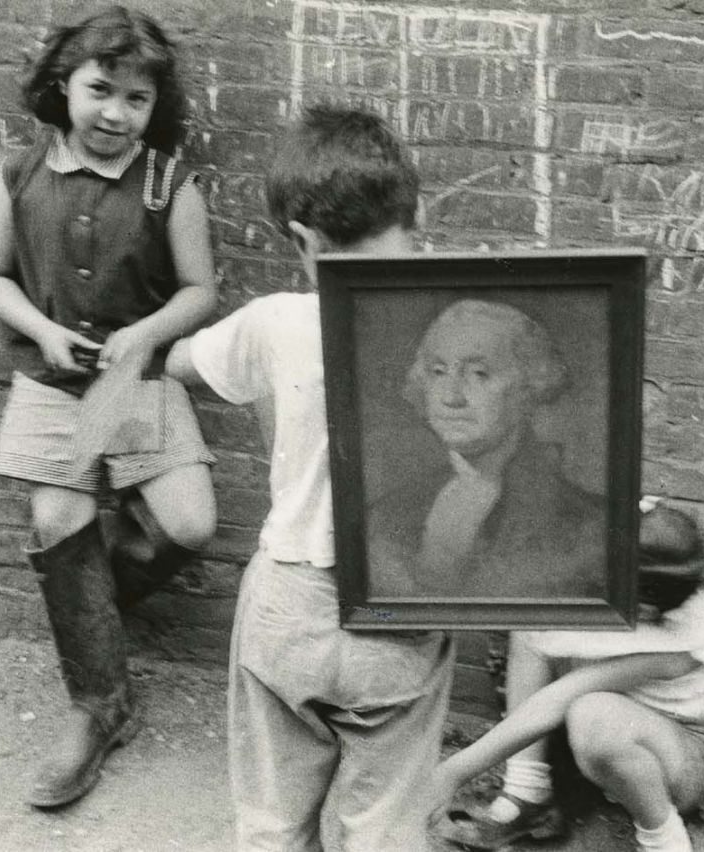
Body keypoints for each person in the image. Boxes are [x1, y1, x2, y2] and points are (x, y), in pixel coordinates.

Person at [164, 103, 455, 851]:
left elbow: (180, 362)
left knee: (271, 819)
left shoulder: (276, 321)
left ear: (301, 239)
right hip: (401, 606)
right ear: (415, 212)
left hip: (287, 604)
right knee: (386, 823)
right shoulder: (459, 326)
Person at [0, 6, 218, 808]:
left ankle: (90, 620)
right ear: (62, 87)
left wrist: (144, 335)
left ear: (156, 110)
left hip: (134, 382)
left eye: (135, 100)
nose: (114, 113)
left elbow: (200, 290)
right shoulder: (18, 171)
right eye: (99, 90)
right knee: (57, 523)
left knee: (188, 525)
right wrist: (43, 332)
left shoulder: (168, 183)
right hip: (52, 384)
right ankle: (99, 703)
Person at [427, 499, 704, 852]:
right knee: (534, 627)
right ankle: (527, 794)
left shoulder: (682, 642)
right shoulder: (655, 582)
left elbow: (559, 699)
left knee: (591, 714)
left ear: (647, 604)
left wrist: (452, 773)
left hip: (687, 752)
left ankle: (665, 840)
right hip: (629, 732)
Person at [366, 299, 606, 598]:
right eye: (438, 371)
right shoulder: (387, 515)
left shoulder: (588, 525)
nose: (451, 397)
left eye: (479, 373)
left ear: (530, 386)